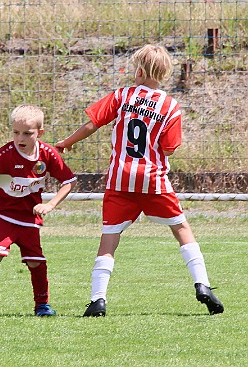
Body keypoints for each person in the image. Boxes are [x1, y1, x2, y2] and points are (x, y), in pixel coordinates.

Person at [55, 44, 224, 317]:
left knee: (109, 238)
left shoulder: (122, 96)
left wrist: (67, 142)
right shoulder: (170, 106)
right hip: (153, 179)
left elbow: (92, 123)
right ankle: (202, 284)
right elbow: (170, 148)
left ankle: (98, 299)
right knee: (181, 229)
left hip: (120, 178)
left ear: (141, 71)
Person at [0, 104, 77, 317]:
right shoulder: (5, 153)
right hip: (2, 212)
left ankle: (42, 306)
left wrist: (50, 204)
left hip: (28, 217)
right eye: (16, 132)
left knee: (36, 261)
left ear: (39, 133)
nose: (20, 138)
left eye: (27, 133)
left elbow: (69, 181)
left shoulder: (48, 154)